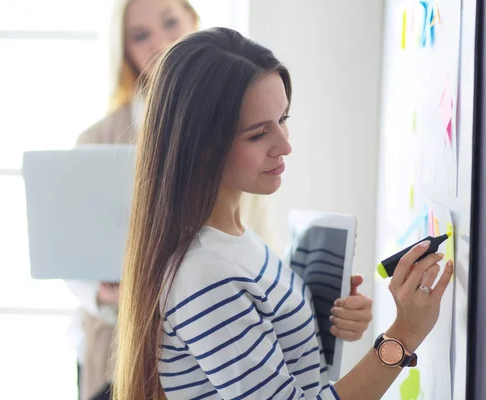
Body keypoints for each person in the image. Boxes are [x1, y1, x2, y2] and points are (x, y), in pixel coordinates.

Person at [114, 27, 454, 399]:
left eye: (283, 119)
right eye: (259, 134)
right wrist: (404, 334)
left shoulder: (232, 237)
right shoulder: (205, 273)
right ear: (203, 147)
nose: (285, 145)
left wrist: (323, 321)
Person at [64, 1, 199, 399]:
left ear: (194, 22)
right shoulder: (96, 141)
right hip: (116, 350)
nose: (161, 42)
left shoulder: (237, 130)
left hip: (202, 342)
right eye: (140, 36)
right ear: (123, 51)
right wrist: (105, 293)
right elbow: (68, 256)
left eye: (171, 23)